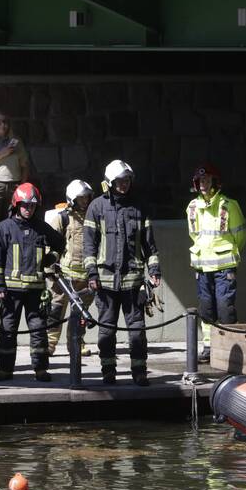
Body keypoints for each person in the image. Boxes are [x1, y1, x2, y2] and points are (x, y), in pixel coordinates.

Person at [83, 160, 161, 386]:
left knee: (137, 330)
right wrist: (92, 274)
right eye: (120, 181)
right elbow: (90, 245)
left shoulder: (139, 208)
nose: (124, 185)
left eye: (127, 180)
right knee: (106, 331)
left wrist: (154, 269)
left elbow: (150, 246)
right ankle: (108, 371)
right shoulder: (96, 207)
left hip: (133, 282)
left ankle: (139, 371)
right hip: (105, 283)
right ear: (110, 182)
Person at [0, 182, 65, 382]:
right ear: (16, 204)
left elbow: (59, 242)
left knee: (39, 332)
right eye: (25, 205)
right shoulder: (5, 228)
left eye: (32, 206)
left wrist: (52, 258)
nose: (28, 209)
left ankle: (40, 369)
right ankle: (5, 370)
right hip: (10, 292)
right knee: (7, 332)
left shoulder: (41, 228)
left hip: (35, 292)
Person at [186, 163, 246, 363]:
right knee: (206, 309)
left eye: (206, 180)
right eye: (200, 180)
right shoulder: (192, 207)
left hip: (224, 268)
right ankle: (209, 347)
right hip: (202, 268)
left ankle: (232, 346)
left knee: (225, 307)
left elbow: (240, 236)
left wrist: (227, 254)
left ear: (214, 182)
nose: (203, 184)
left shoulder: (229, 205)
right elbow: (194, 235)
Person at [44, 179, 96, 357]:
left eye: (87, 197)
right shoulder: (63, 218)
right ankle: (49, 344)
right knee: (56, 310)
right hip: (63, 276)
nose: (85, 201)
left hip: (86, 275)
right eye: (81, 198)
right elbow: (51, 244)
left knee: (81, 312)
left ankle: (76, 341)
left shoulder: (93, 217)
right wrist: (50, 268)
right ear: (72, 199)